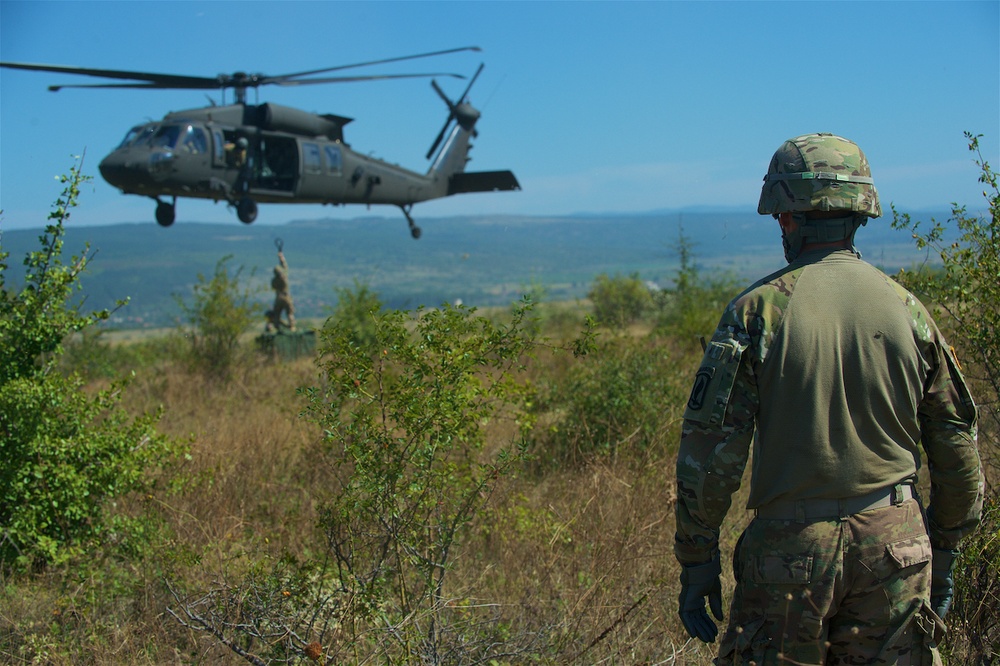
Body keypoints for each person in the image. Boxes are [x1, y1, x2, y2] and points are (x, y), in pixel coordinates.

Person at [673, 133, 983, 664]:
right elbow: (956, 443)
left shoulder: (756, 312)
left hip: (790, 554)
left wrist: (697, 559)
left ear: (785, 216)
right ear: (859, 213)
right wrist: (947, 547)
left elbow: (710, 455)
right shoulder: (909, 310)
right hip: (897, 547)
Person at [265, 247, 295, 333]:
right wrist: (281, 257)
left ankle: (277, 326)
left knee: (277, 314)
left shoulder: (274, 281)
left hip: (278, 297)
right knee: (289, 313)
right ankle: (292, 327)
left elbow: (273, 287)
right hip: (286, 296)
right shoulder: (284, 277)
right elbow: (284, 265)